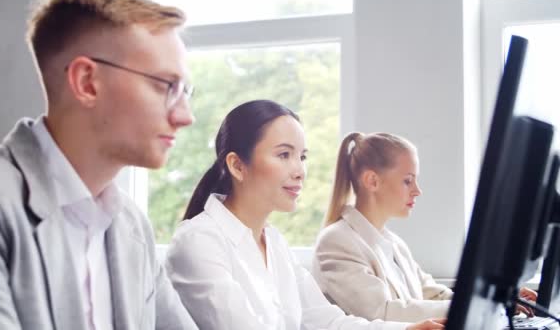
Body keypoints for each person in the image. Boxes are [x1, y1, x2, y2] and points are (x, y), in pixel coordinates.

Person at [0, 0, 198, 329]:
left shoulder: (132, 227)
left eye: (184, 91)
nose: (185, 116)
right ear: (87, 82)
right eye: (165, 86)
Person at [164, 100, 445, 330]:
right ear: (237, 165)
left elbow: (327, 320)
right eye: (284, 155)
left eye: (302, 157)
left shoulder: (274, 244)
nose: (299, 171)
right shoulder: (198, 242)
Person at [312, 132, 537, 323]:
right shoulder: (337, 242)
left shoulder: (394, 243)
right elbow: (381, 312)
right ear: (372, 181)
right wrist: (482, 307)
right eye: (408, 180)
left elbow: (432, 294)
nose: (417, 190)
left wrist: (494, 299)